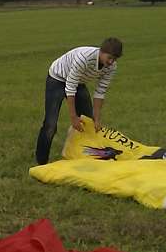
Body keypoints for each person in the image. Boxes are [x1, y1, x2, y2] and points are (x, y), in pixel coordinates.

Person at [35, 38, 123, 166]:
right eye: (109, 58)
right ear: (101, 51)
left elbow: (100, 91)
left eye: (114, 59)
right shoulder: (84, 58)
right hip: (57, 78)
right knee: (51, 124)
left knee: (89, 122)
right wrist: (73, 117)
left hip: (78, 82)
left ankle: (82, 156)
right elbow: (70, 87)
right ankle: (42, 162)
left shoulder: (111, 67)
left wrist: (97, 119)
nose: (111, 62)